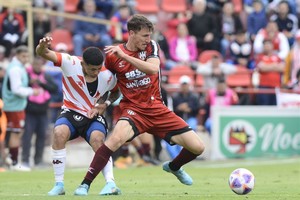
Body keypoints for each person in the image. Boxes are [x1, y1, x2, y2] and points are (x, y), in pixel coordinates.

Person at [74, 14, 205, 196]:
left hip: (157, 108)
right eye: (144, 35)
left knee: (198, 147)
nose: (148, 39)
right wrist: (105, 102)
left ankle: (174, 167)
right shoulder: (113, 57)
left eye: (149, 35)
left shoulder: (151, 47)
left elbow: (152, 68)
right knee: (114, 140)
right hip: (133, 110)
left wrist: (125, 57)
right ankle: (84, 185)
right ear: (131, 33)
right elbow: (112, 86)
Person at [36, 36, 121, 196]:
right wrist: (42, 46)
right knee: (59, 133)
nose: (96, 72)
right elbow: (43, 53)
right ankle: (59, 184)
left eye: (98, 68)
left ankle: (111, 183)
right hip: (70, 112)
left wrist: (105, 104)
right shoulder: (70, 62)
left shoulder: (107, 75)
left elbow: (116, 91)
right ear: (83, 64)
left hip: (94, 116)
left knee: (98, 139)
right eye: (92, 69)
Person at [2, 45, 40, 171]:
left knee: (15, 132)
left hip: (15, 106)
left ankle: (9, 160)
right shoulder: (15, 70)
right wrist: (31, 91)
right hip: (13, 106)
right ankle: (13, 163)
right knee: (15, 133)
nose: (26, 59)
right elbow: (16, 89)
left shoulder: (19, 68)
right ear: (17, 55)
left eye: (27, 56)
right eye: (23, 56)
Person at [21, 57, 58, 169]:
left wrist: (41, 83)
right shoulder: (26, 75)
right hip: (29, 111)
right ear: (32, 65)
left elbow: (54, 88)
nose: (37, 66)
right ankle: (25, 160)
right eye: (35, 64)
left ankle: (38, 160)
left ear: (41, 65)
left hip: (43, 111)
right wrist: (29, 82)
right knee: (27, 136)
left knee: (41, 136)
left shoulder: (46, 76)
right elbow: (20, 87)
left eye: (39, 64)